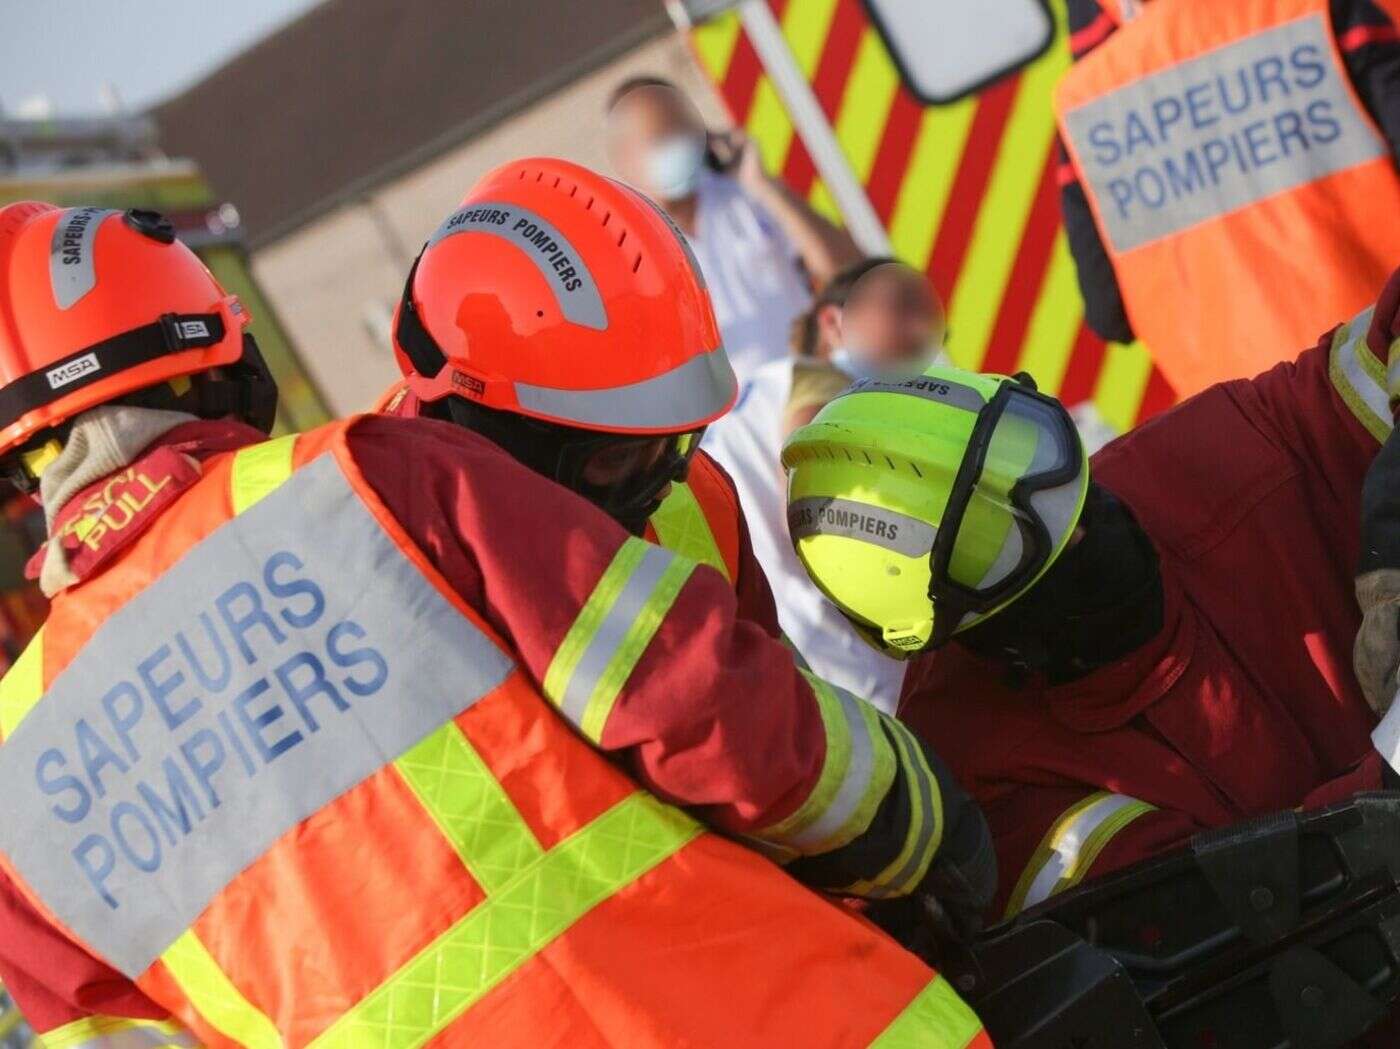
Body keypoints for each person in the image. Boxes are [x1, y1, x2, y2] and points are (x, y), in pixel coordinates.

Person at [0, 199, 996, 1047]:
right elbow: (701, 703)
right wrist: (922, 829)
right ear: (208, 347)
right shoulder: (368, 480)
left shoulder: (13, 780)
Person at [780, 263, 1400, 922]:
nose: (1078, 529)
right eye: (999, 545)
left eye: (1033, 456)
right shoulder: (1000, 789)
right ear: (959, 631)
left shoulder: (1193, 458)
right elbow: (1246, 940)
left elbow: (1375, 351)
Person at [1056, 0, 1400, 396]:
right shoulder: (1312, 12)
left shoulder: (1087, 102)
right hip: (1383, 369)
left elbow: (1107, 315)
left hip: (1253, 427)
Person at [705, 258, 945, 711]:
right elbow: (814, 510)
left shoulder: (758, 389)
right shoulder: (823, 380)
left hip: (776, 653)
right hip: (840, 655)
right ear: (834, 322)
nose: (922, 334)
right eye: (902, 309)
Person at [605, 76, 862, 391]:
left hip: (823, 389)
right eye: (661, 137)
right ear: (624, 161)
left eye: (685, 129)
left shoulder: (747, 195)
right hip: (740, 429)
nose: (679, 143)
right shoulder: (628, 256)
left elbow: (848, 272)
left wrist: (764, 185)